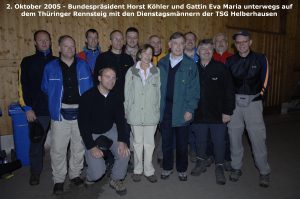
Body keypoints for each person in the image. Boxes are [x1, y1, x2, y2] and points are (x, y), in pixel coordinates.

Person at [41, 35, 93, 194]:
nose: (69, 49)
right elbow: (45, 88)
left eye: (72, 46)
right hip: (60, 114)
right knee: (58, 148)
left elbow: (90, 88)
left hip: (81, 113)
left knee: (78, 146)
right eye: (66, 46)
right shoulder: (50, 67)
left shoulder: (83, 66)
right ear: (58, 48)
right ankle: (58, 179)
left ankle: (75, 174)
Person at [226, 30, 271, 187]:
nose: (241, 45)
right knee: (234, 136)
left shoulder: (260, 58)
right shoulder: (230, 61)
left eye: (244, 41)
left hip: (253, 102)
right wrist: (228, 103)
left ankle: (264, 171)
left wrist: (259, 97)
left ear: (250, 42)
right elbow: (227, 84)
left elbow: (265, 80)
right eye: (238, 42)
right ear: (235, 44)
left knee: (257, 138)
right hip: (235, 104)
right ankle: (236, 167)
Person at [78, 67, 130, 195]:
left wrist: (123, 140)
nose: (111, 80)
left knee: (125, 152)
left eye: (113, 78)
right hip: (92, 133)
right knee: (97, 173)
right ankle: (90, 177)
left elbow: (120, 120)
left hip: (109, 129)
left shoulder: (116, 96)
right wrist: (91, 146)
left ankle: (116, 179)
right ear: (99, 78)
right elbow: (83, 125)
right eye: (107, 77)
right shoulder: (87, 97)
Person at [190, 39, 235, 185]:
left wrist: (228, 112)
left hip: (218, 115)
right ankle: (200, 161)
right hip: (198, 114)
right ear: (198, 52)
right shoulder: (193, 68)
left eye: (210, 48)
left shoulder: (221, 68)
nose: (207, 51)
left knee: (219, 142)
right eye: (203, 49)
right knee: (200, 141)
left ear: (213, 51)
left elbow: (229, 91)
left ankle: (219, 167)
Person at [158, 32, 200, 181]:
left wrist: (190, 109)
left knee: (183, 144)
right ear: (169, 45)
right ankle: (167, 167)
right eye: (175, 43)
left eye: (181, 43)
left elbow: (194, 90)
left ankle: (182, 169)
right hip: (165, 110)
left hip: (182, 110)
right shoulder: (161, 63)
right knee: (166, 142)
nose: (178, 46)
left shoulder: (190, 65)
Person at [18, 30, 57, 186]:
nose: (44, 43)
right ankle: (35, 172)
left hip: (57, 111)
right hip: (37, 111)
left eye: (46, 40)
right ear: (35, 42)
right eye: (40, 40)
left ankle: (61, 172)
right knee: (36, 144)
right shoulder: (27, 62)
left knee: (61, 144)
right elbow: (21, 86)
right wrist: (27, 108)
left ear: (50, 41)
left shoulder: (57, 61)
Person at [94, 30, 134, 172]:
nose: (118, 41)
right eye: (115, 39)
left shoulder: (128, 59)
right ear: (110, 41)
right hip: (106, 102)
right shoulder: (102, 58)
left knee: (124, 130)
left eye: (120, 39)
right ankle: (109, 160)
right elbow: (96, 80)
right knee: (108, 130)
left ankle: (125, 157)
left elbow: (132, 82)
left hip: (124, 102)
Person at [124, 44, 160, 183]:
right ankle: (138, 170)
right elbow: (127, 93)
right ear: (139, 54)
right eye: (145, 53)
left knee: (150, 143)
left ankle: (149, 170)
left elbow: (159, 93)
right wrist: (127, 110)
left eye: (150, 53)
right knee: (137, 143)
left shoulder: (156, 72)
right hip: (135, 113)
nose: (147, 56)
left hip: (151, 113)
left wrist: (157, 110)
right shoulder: (131, 71)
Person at [212, 32, 234, 171]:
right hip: (211, 102)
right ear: (214, 45)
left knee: (228, 132)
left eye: (223, 40)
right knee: (211, 131)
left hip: (227, 101)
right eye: (217, 41)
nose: (220, 43)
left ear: (227, 43)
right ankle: (210, 155)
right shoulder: (209, 57)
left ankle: (227, 157)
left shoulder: (233, 59)